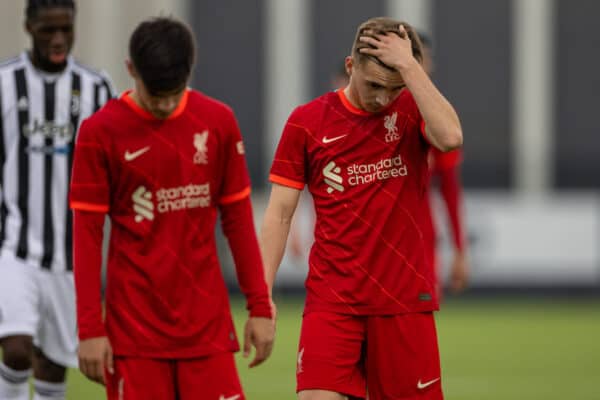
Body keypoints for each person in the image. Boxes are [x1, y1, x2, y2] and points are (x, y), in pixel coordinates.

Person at [69, 17, 275, 400]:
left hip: (207, 329)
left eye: (174, 92)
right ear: (131, 70)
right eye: (155, 94)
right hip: (133, 336)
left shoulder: (218, 122)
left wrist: (260, 307)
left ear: (189, 73)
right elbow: (85, 235)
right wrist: (89, 330)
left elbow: (239, 222)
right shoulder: (100, 133)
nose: (165, 104)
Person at [260, 17, 462, 400]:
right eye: (373, 86)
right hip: (332, 301)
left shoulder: (413, 110)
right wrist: (262, 291)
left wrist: (410, 68)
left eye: (393, 88)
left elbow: (451, 138)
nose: (383, 98)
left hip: (403, 303)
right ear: (350, 67)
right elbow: (280, 213)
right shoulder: (306, 122)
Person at [0, 1, 114, 399]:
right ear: (29, 27)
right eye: (49, 30)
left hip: (71, 255)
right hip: (13, 246)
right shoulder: (4, 82)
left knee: (52, 364)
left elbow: (113, 161)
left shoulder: (97, 87)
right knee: (15, 349)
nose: (59, 39)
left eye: (66, 28)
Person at [418, 31, 469, 296]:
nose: (428, 66)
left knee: (418, 325)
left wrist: (460, 249)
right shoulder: (368, 112)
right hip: (369, 243)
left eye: (426, 59)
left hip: (420, 240)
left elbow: (450, 187)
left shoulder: (435, 117)